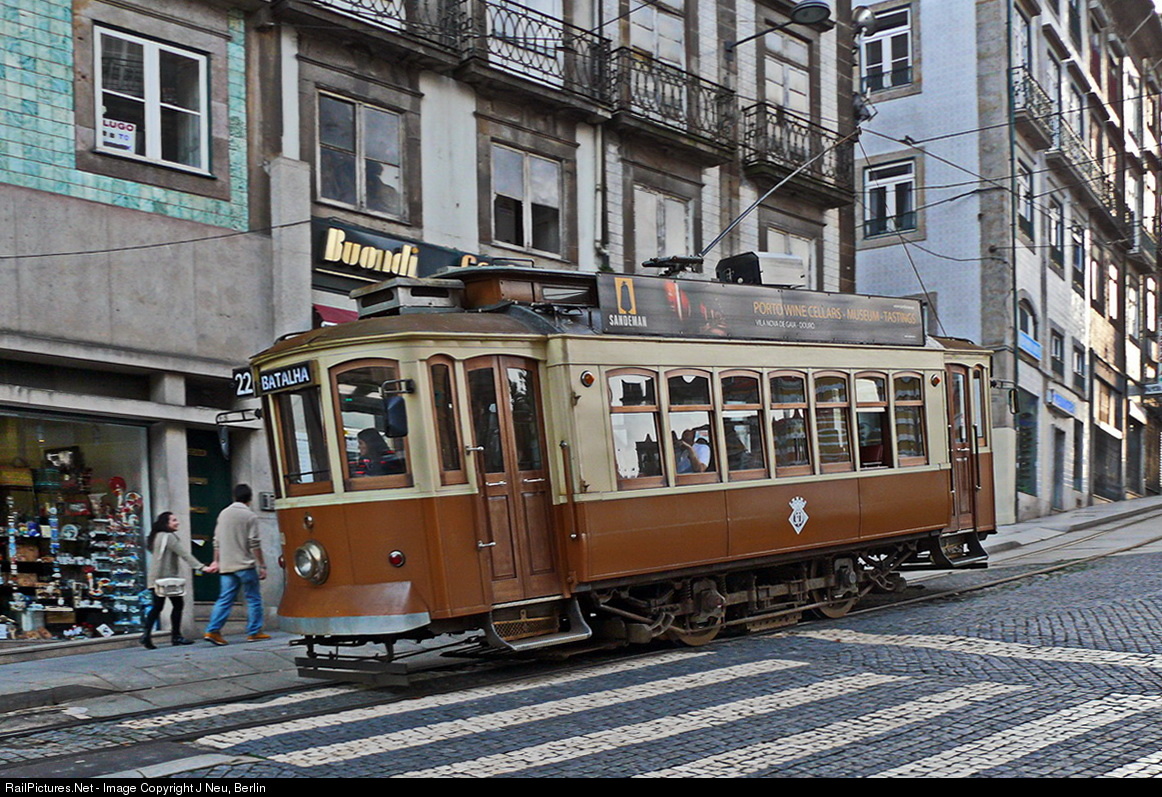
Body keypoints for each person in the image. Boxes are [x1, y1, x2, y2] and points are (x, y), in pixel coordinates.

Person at [203, 484, 268, 645]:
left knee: (224, 599)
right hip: (245, 564)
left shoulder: (223, 514)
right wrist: (262, 565)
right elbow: (254, 543)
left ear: (234, 496)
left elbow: (216, 541)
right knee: (253, 598)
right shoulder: (250, 516)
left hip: (226, 565)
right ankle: (254, 632)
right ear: (250, 498)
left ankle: (213, 630)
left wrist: (216, 560)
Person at [142, 512, 215, 649]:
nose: (177, 522)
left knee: (157, 607)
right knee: (178, 606)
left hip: (155, 577)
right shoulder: (169, 537)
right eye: (174, 520)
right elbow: (184, 554)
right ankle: (176, 636)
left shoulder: (155, 536)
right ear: (166, 523)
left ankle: (146, 634)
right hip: (168, 578)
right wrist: (201, 567)